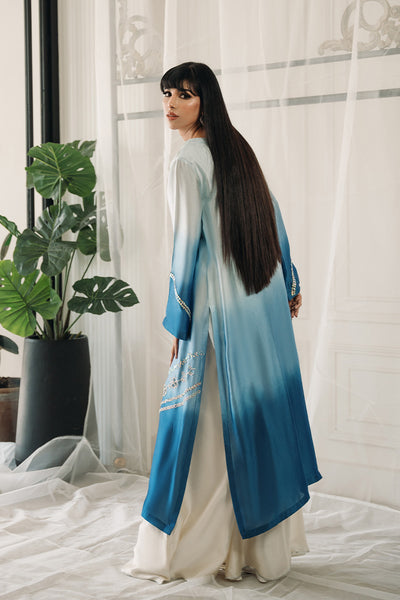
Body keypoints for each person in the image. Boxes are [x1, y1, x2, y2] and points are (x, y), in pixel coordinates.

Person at [122, 61, 322, 584]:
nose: (171, 104)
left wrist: (179, 321)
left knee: (206, 426)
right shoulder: (237, 150)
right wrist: (289, 284)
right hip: (259, 303)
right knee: (252, 416)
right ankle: (258, 551)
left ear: (204, 101)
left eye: (184, 95)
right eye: (167, 93)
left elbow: (186, 246)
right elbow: (273, 219)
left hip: (218, 312)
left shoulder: (188, 160)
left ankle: (202, 546)